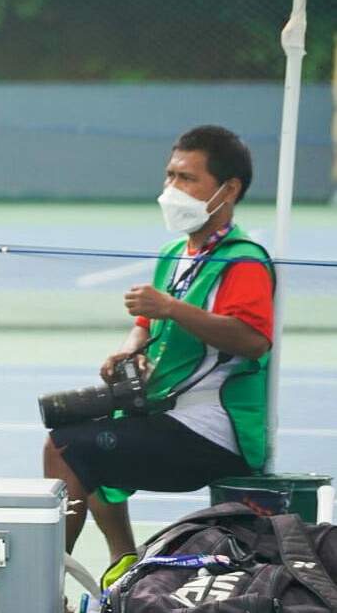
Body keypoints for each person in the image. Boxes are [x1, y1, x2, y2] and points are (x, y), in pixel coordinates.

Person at [43, 125, 274, 575]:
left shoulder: (244, 260)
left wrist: (171, 306)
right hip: (167, 413)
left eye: (187, 179)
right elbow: (146, 325)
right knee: (73, 427)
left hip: (215, 430)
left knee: (66, 450)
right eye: (170, 176)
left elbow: (252, 340)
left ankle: (58, 580)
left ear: (229, 189)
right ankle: (124, 561)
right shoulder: (176, 252)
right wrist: (129, 350)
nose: (172, 189)